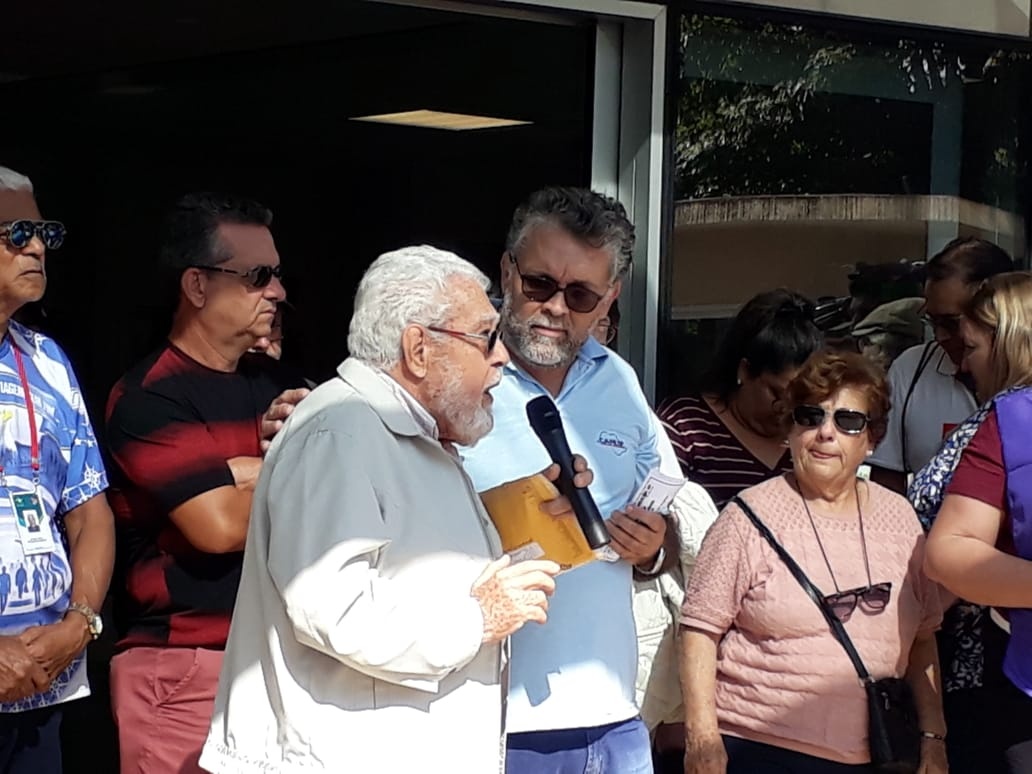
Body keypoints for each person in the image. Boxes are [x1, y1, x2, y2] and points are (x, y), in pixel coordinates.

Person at [199, 245, 573, 773]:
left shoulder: (403, 433)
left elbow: (420, 557)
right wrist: (478, 617)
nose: (502, 358)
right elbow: (330, 606)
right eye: (486, 337)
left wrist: (533, 511)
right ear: (418, 348)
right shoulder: (341, 432)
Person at [461, 186, 673, 773]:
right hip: (490, 720)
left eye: (580, 294)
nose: (556, 307)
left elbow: (665, 512)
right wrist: (520, 515)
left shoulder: (621, 381)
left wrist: (652, 545)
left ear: (610, 299)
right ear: (506, 272)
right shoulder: (455, 380)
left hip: (612, 712)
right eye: (539, 285)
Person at [105, 192, 310, 774]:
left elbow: (346, 483)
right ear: (197, 286)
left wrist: (247, 473)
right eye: (258, 277)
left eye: (277, 275)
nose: (278, 291)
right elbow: (219, 526)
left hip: (277, 661)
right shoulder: (150, 396)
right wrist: (288, 465)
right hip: (184, 667)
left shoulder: (283, 382)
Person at [681, 350, 946, 774]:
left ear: (872, 437)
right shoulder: (747, 516)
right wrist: (702, 738)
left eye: (848, 421)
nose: (826, 433)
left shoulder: (901, 518)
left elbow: (923, 640)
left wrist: (933, 740)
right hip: (758, 749)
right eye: (810, 416)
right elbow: (698, 630)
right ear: (790, 428)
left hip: (878, 753)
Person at [0, 166, 115, 772]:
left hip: (42, 684)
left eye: (43, 231)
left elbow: (89, 509)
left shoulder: (46, 359)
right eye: (16, 232)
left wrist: (81, 621)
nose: (37, 246)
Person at [923, 272, 1032, 772]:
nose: (963, 364)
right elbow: (951, 549)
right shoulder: (1007, 421)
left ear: (1010, 341)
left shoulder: (1006, 420)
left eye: (972, 346)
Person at [869, 237, 1013, 492]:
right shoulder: (910, 370)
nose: (940, 336)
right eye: (932, 321)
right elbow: (886, 484)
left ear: (998, 309)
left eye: (952, 322)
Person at [659, 289, 823, 510]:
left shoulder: (816, 437)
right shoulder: (686, 426)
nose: (787, 410)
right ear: (745, 371)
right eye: (777, 394)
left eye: (801, 400)